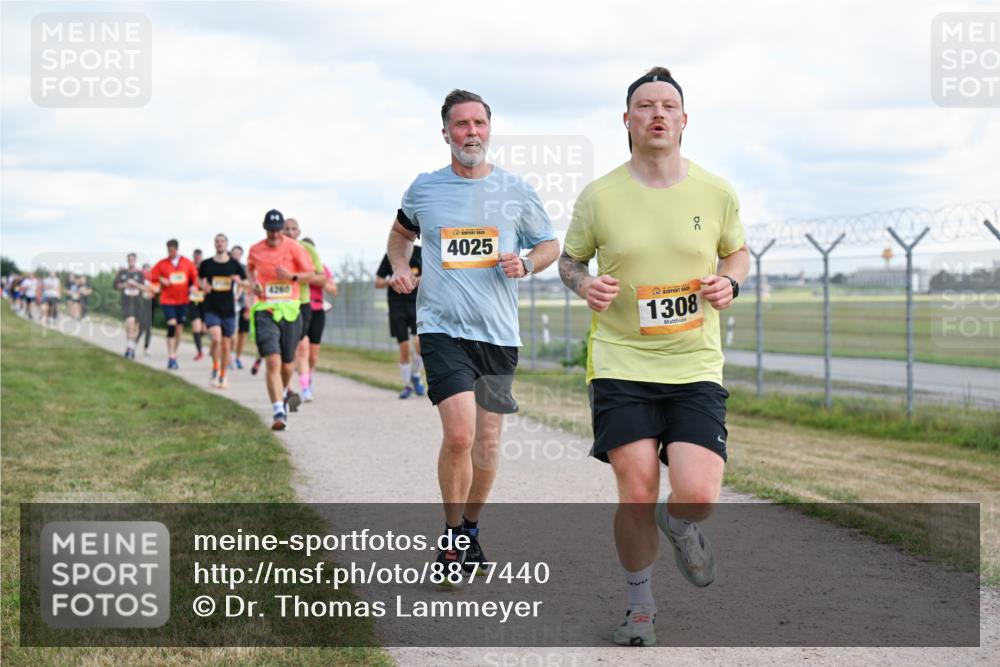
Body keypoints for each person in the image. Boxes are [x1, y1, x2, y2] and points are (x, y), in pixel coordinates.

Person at [559, 67, 749, 647]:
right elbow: (570, 262)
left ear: (685, 120)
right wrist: (582, 284)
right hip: (621, 363)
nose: (658, 114)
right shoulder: (600, 196)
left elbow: (737, 254)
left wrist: (730, 284)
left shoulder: (716, 192)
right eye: (645, 106)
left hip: (693, 364)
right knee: (636, 486)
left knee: (697, 494)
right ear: (628, 121)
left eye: (669, 105)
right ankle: (639, 606)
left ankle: (682, 525)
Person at [386, 89, 559, 577]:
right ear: (446, 133)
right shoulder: (424, 189)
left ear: (490, 128)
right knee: (459, 435)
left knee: (486, 443)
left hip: (498, 334)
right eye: (461, 125)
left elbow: (549, 244)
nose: (471, 132)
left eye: (479, 123)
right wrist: (401, 264)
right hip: (442, 328)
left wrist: (525, 262)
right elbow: (400, 235)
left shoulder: (516, 190)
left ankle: (470, 531)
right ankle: (450, 539)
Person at [247, 209, 316, 430]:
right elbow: (249, 269)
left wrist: (292, 277)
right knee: (273, 361)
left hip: (290, 310)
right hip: (265, 309)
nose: (275, 234)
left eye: (278, 230)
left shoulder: (295, 248)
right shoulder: (255, 249)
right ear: (265, 228)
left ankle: (285, 392)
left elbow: (311, 274)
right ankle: (278, 411)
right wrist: (254, 284)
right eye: (271, 230)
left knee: (287, 365)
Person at [281, 218, 325, 403]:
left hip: (302, 303)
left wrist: (295, 277)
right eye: (286, 229)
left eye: (293, 229)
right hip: (281, 303)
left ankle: (305, 388)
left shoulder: (308, 249)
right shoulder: (274, 251)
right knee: (284, 350)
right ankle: (286, 387)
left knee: (301, 348)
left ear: (299, 232)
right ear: (280, 232)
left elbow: (321, 279)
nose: (290, 232)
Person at [376, 246, 425, 398]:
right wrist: (390, 281)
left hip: (417, 304)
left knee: (419, 344)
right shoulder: (391, 255)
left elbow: (432, 275)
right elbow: (377, 282)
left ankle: (416, 375)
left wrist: (416, 280)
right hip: (397, 306)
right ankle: (407, 386)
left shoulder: (421, 253)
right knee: (404, 349)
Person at [199, 233, 247, 388]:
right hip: (211, 307)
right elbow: (199, 279)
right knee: (216, 338)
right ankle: (215, 366)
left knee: (226, 345)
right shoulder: (207, 264)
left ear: (227, 244)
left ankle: (223, 375)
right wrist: (203, 286)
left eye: (222, 241)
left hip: (228, 309)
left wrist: (239, 282)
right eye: (217, 241)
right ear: (214, 245)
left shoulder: (234, 264)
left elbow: (246, 281)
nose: (219, 244)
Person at [150, 239, 199, 370]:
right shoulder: (162, 263)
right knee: (171, 325)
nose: (170, 252)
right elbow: (151, 275)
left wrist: (193, 287)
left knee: (179, 329)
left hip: (183, 301)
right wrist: (161, 279)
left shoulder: (187, 263)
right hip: (167, 300)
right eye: (168, 250)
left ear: (177, 249)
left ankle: (174, 353)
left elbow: (195, 278)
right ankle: (171, 356)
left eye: (172, 250)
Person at [301, 238, 337, 402]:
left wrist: (318, 280)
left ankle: (309, 378)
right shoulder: (296, 268)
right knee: (303, 349)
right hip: (300, 309)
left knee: (313, 355)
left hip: (317, 311)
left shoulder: (323, 269)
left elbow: (333, 290)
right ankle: (304, 387)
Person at [114, 253, 146, 358]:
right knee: (130, 323)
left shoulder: (140, 273)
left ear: (135, 260)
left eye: (133, 259)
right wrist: (125, 284)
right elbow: (116, 286)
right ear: (127, 260)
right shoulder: (122, 273)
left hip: (138, 302)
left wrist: (135, 284)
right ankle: (129, 346)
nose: (131, 261)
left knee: (136, 327)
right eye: (129, 259)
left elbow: (145, 288)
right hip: (127, 301)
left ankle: (131, 348)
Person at [230, 245, 251, 369]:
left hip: (243, 305)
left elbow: (249, 289)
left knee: (242, 333)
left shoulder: (245, 269)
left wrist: (248, 308)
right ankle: (229, 356)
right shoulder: (227, 268)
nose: (236, 256)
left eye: (238, 254)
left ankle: (238, 357)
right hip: (229, 306)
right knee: (232, 334)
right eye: (234, 253)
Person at [189, 248, 207, 361]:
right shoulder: (189, 267)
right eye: (195, 256)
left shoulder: (206, 267)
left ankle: (197, 339)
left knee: (204, 329)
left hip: (205, 301)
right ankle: (200, 351)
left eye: (199, 256)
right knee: (196, 326)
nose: (197, 258)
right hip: (193, 300)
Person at [138, 263, 156, 356]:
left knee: (148, 328)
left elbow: (156, 290)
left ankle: (146, 348)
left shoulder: (153, 280)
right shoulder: (140, 280)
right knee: (141, 328)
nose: (146, 271)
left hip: (150, 305)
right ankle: (133, 344)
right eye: (145, 269)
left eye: (148, 269)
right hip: (141, 304)